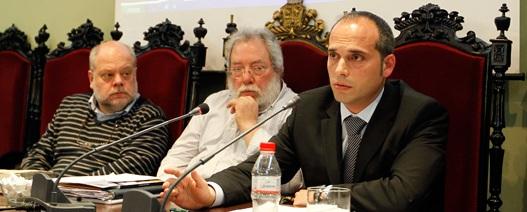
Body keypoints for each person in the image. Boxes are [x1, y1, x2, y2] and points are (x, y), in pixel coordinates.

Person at [162, 10, 448, 212]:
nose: (340, 70)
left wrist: (320, 195)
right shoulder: (310, 107)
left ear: (387, 66)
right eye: (333, 56)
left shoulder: (421, 114)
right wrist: (210, 193)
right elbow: (262, 166)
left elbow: (401, 194)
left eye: (356, 58)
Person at [157, 28, 302, 193]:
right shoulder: (214, 103)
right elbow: (173, 161)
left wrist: (249, 126)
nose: (246, 78)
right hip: (189, 198)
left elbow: (293, 181)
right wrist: (172, 187)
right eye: (237, 69)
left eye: (258, 68)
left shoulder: (295, 110)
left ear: (278, 69)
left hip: (238, 201)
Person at [20, 41, 170, 177]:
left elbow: (124, 175)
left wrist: (59, 188)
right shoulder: (71, 105)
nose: (118, 81)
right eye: (108, 75)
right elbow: (38, 153)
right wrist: (36, 183)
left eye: (126, 73)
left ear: (135, 75)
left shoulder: (150, 118)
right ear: (91, 79)